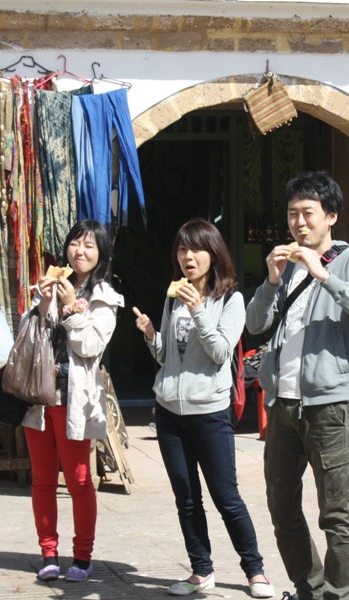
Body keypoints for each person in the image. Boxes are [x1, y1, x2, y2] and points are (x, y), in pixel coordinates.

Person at [245, 171, 349, 600]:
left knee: (335, 512)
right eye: (293, 214)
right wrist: (271, 280)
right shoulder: (285, 266)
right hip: (283, 404)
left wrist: (322, 275)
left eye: (308, 213)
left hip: (328, 406)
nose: (299, 223)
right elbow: (255, 325)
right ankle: (309, 588)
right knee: (281, 507)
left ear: (331, 217)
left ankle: (340, 595)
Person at [132, 218, 274, 599]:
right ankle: (201, 570)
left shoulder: (231, 300)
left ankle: (255, 570)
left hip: (210, 411)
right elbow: (166, 357)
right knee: (186, 496)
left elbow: (219, 353)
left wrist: (197, 310)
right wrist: (150, 334)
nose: (187, 257)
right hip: (169, 411)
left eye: (195, 249)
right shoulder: (172, 296)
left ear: (214, 254)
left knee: (226, 495)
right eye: (181, 249)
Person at [22, 219, 124, 583]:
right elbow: (26, 335)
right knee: (42, 478)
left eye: (89, 246)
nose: (79, 252)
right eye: (75, 244)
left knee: (80, 480)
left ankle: (82, 557)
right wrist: (45, 302)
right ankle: (48, 552)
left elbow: (91, 345)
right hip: (40, 395)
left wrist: (71, 309)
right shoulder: (51, 284)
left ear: (101, 255)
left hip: (75, 399)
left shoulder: (105, 297)